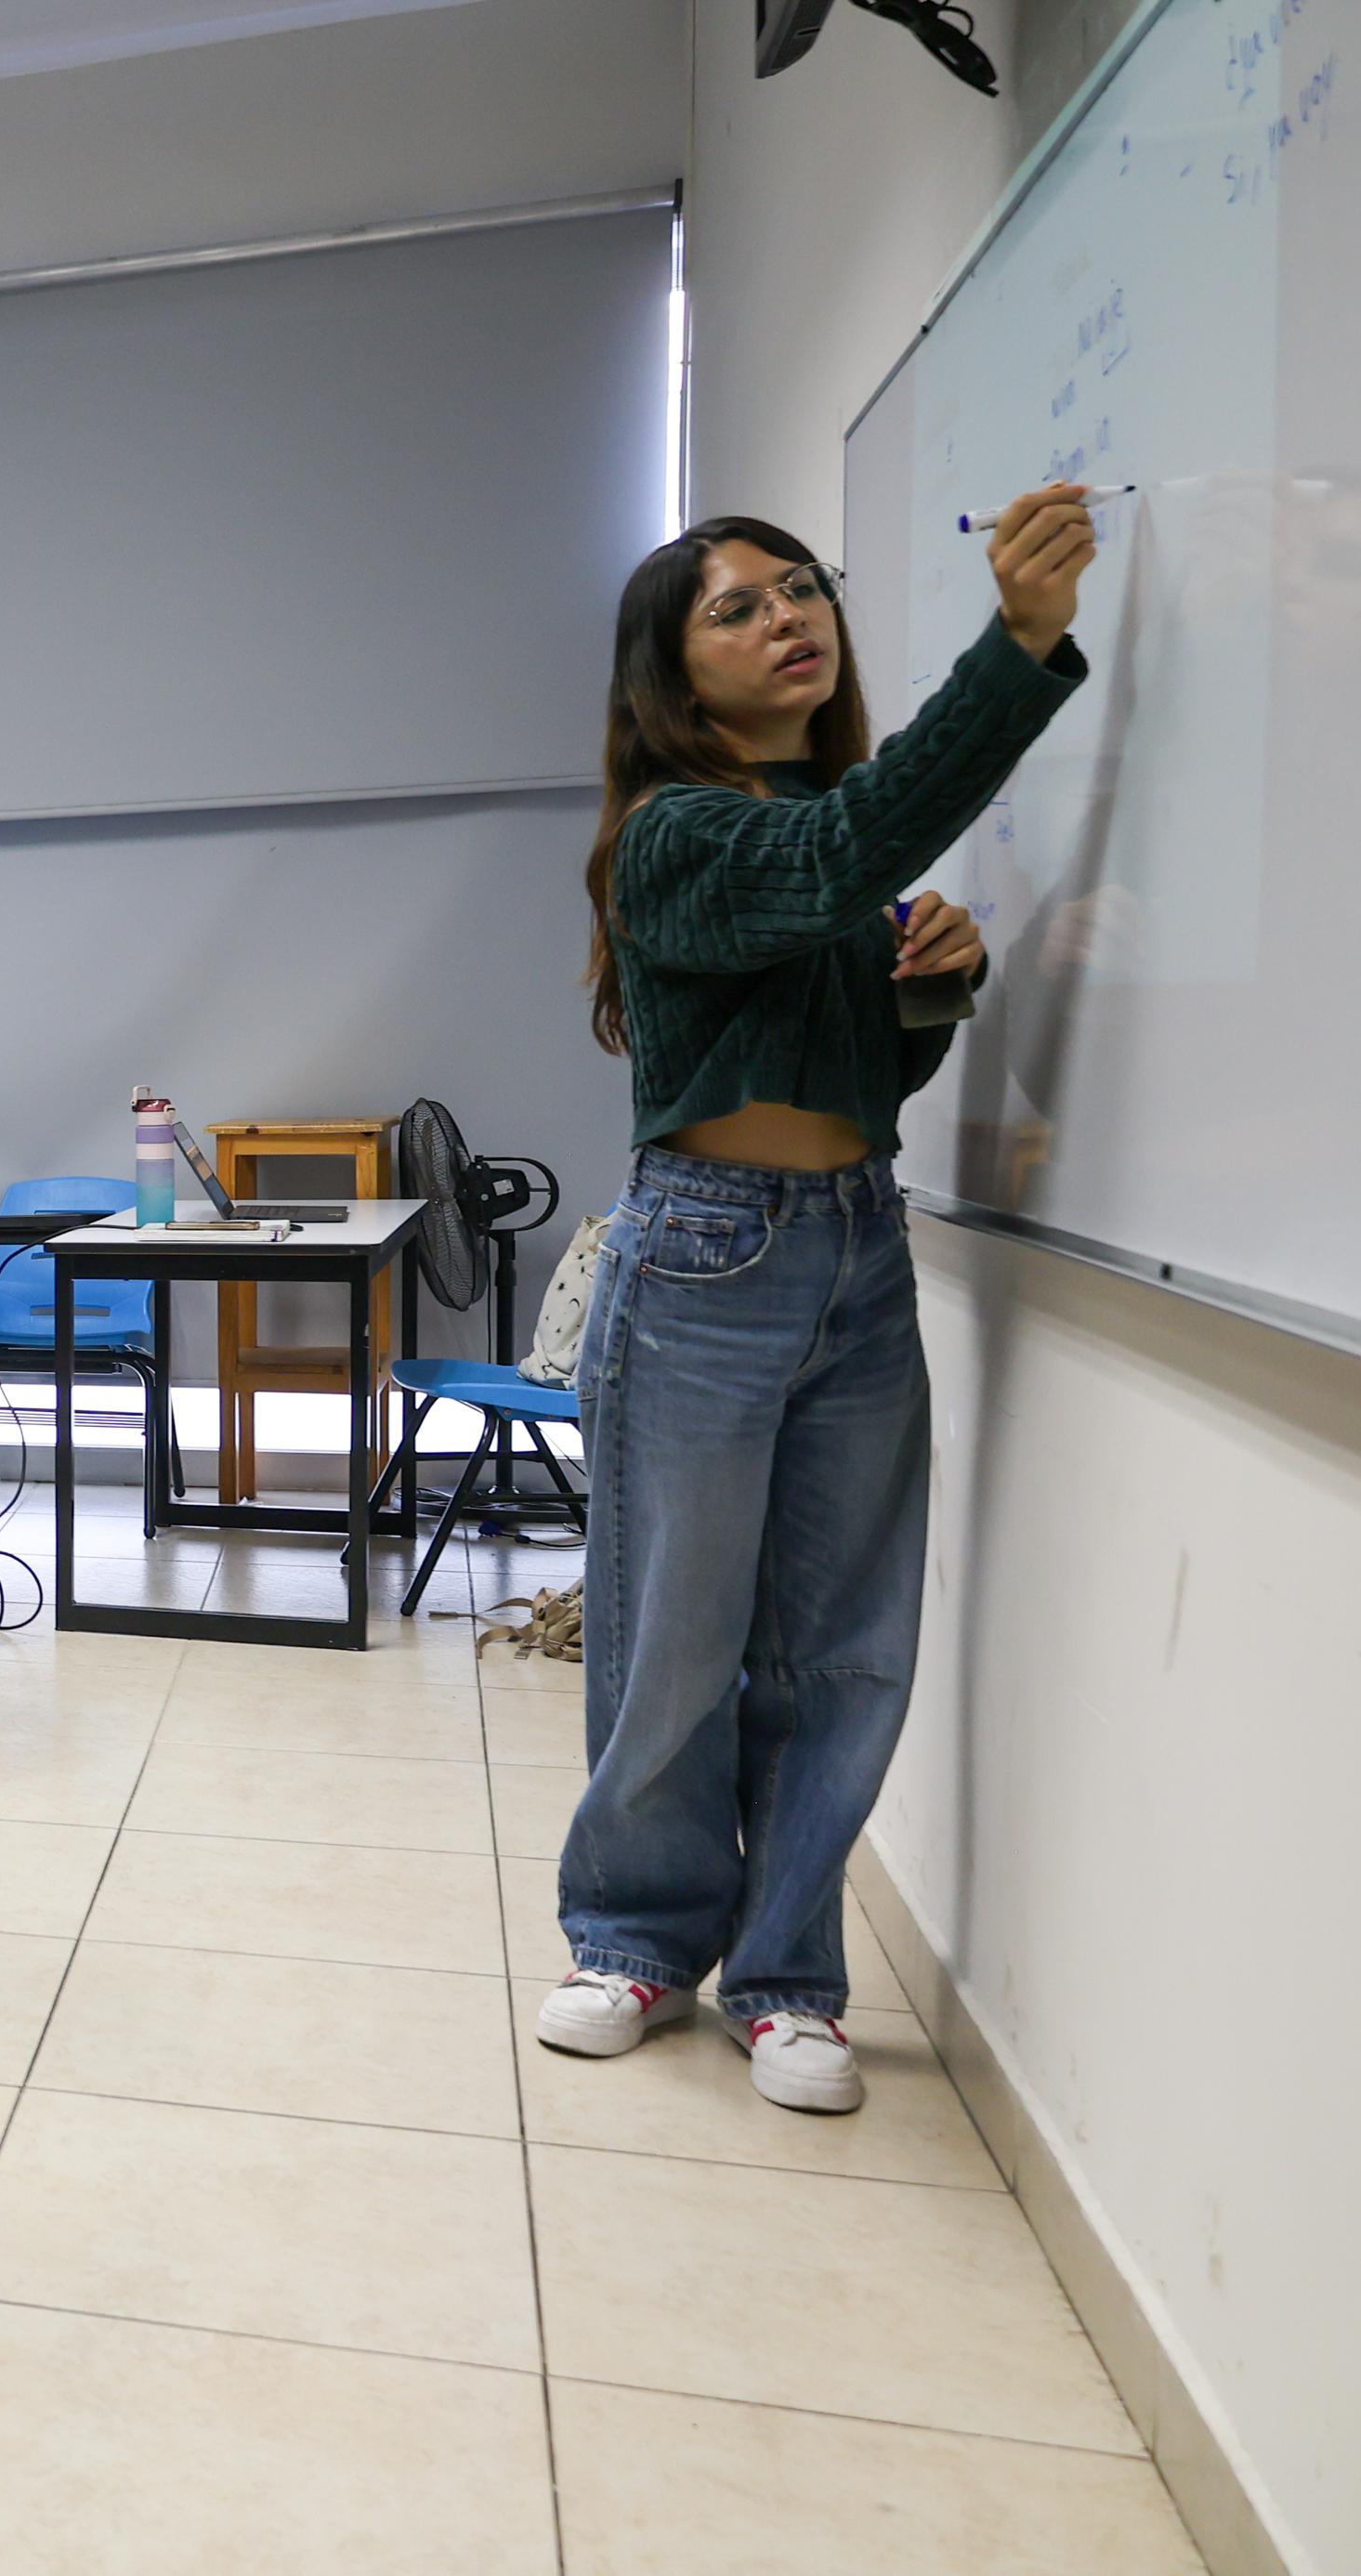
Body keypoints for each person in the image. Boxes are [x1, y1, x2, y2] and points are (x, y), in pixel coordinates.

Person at [546, 487, 1093, 2115]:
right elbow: (841, 851)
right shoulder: (678, 834)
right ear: (672, 676)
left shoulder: (830, 836)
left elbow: (870, 1075)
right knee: (677, 1634)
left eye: (803, 590)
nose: (792, 615)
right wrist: (1022, 646)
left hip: (858, 1244)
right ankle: (634, 1936)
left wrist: (930, 993)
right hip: (704, 1257)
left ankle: (789, 1976)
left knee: (843, 1646)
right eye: (740, 607)